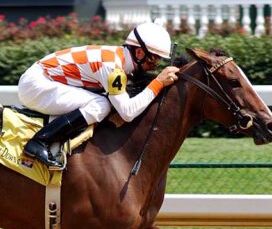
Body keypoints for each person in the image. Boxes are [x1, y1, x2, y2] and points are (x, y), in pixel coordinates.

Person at [17, 20, 180, 168]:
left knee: (102, 101)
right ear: (139, 53)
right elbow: (128, 113)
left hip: (42, 81)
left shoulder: (117, 60)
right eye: (154, 59)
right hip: (36, 85)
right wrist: (158, 83)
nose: (155, 66)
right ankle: (40, 141)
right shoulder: (113, 69)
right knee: (101, 105)